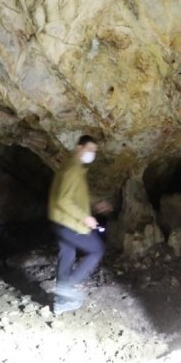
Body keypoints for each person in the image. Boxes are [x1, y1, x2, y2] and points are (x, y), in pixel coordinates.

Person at [48, 135, 112, 314]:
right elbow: (63, 199)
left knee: (67, 255)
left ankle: (61, 302)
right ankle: (67, 287)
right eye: (89, 149)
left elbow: (76, 196)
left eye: (94, 151)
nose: (92, 154)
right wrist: (85, 217)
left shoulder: (73, 168)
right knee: (97, 249)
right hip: (69, 223)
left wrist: (96, 202)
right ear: (79, 148)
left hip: (59, 222)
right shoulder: (72, 171)